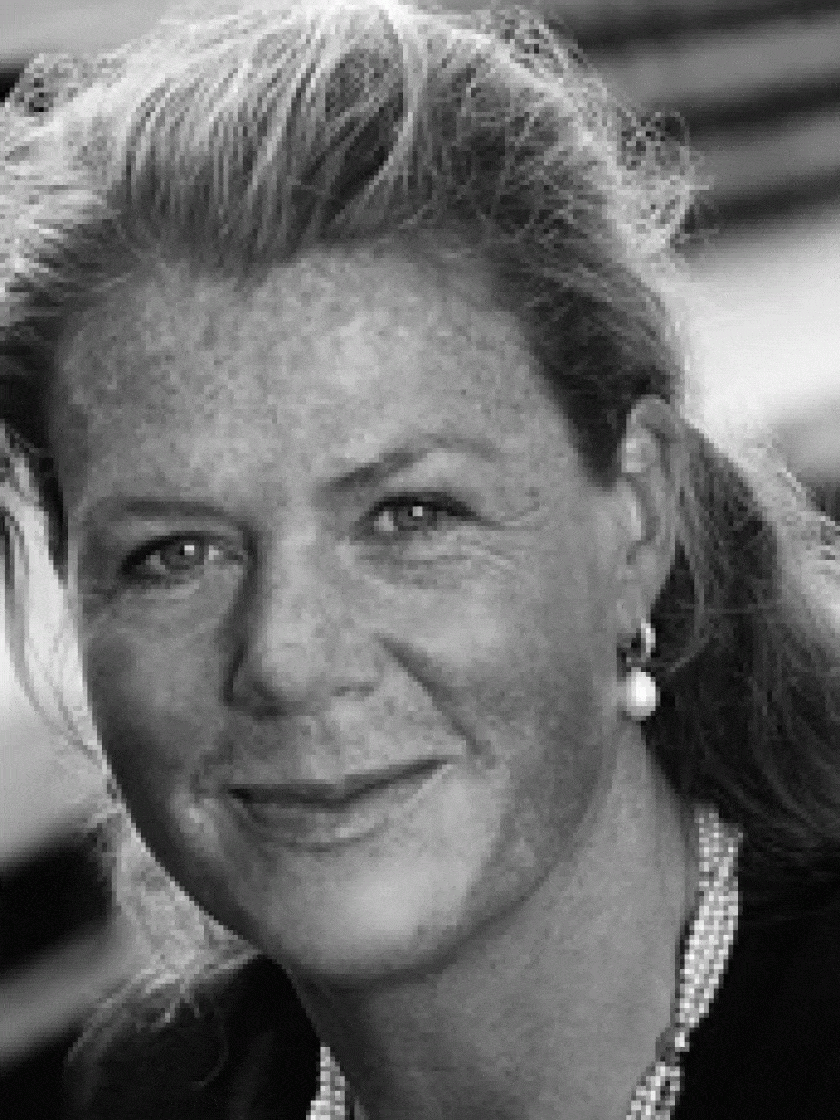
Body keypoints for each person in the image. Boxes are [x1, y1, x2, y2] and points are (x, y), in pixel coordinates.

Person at [2, 2, 840, 1117]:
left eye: (408, 514)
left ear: (638, 517)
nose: (288, 658)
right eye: (174, 554)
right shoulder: (145, 1095)